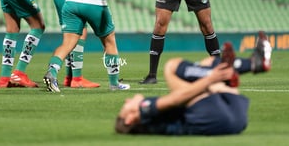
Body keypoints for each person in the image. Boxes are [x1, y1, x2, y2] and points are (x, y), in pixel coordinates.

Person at [115, 31, 272, 135]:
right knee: (172, 67)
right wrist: (210, 78)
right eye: (125, 106)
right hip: (214, 115)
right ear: (130, 119)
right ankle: (245, 65)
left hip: (237, 120)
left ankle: (245, 66)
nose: (127, 100)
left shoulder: (154, 123)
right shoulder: (145, 112)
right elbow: (177, 99)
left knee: (208, 62)